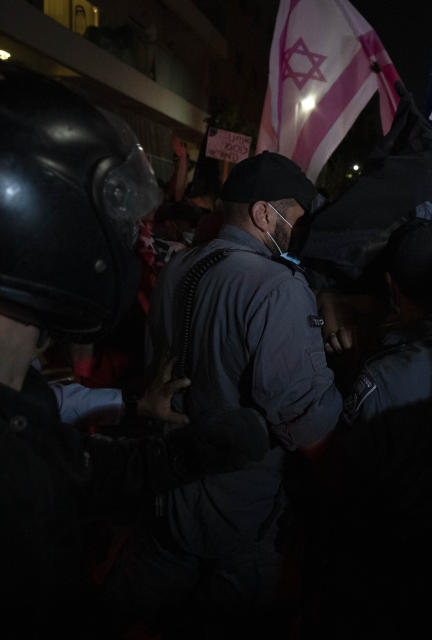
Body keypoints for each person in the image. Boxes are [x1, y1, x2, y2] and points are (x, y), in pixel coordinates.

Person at [0, 64, 267, 637]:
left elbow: (75, 466)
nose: (130, 235)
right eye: (114, 214)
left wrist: (177, 454)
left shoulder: (20, 401)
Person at [104, 151, 343, 634]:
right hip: (238, 520)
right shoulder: (278, 287)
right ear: (263, 215)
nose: (297, 232)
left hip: (167, 497)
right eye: (293, 219)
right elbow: (307, 427)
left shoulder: (178, 267)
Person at [305, 219, 432, 638]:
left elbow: (343, 480)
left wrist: (345, 373)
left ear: (392, 286)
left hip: (392, 553)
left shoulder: (381, 377)